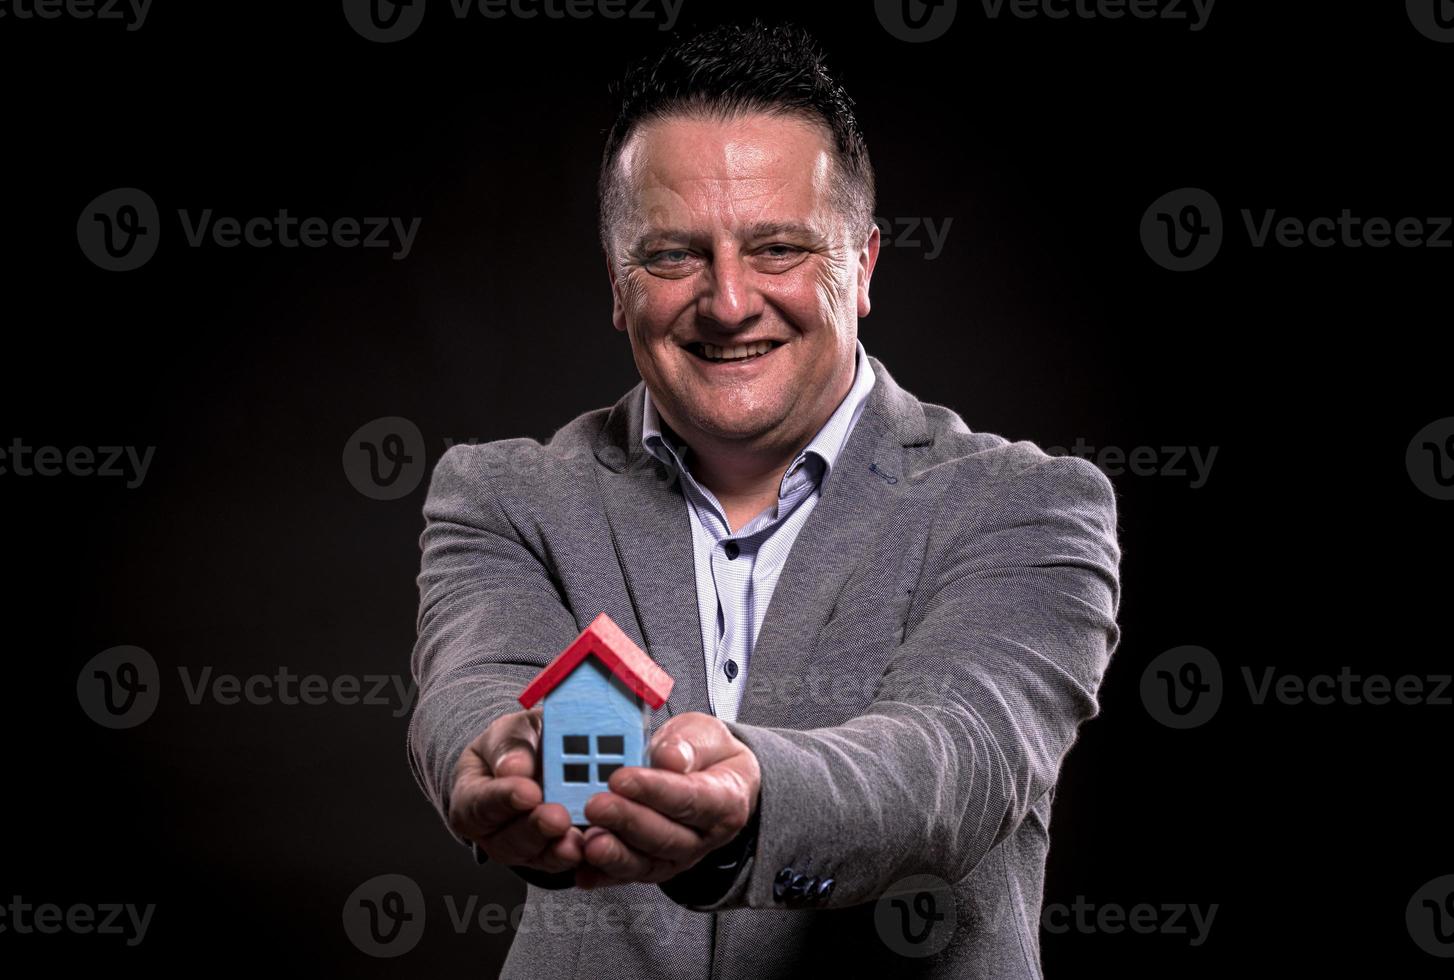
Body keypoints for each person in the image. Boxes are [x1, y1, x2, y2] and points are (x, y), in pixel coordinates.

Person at [407, 19, 1122, 978]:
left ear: (862, 266)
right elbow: (478, 684)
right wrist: (499, 759)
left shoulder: (1027, 507)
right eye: (672, 256)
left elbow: (958, 759)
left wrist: (752, 799)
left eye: (779, 248)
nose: (731, 302)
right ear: (618, 288)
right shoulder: (502, 497)